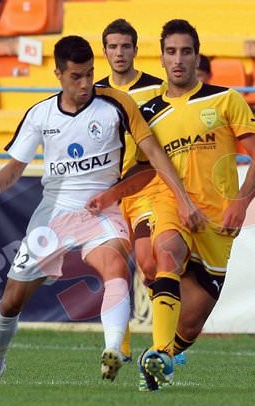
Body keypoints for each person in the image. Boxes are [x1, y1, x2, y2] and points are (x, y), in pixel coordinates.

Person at [0, 35, 202, 389]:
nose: (85, 84)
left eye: (90, 74)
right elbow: (15, 166)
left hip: (103, 212)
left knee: (114, 268)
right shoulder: (40, 114)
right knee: (11, 300)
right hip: (54, 216)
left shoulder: (117, 105)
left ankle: (112, 352)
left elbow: (153, 156)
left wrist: (183, 200)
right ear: (58, 74)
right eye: (76, 76)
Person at [136, 19, 255, 391]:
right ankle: (158, 356)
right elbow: (137, 170)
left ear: (197, 57)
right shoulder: (148, 114)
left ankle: (171, 348)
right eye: (170, 52)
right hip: (172, 207)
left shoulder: (225, 99)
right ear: (161, 58)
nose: (178, 59)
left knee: (192, 324)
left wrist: (241, 203)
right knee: (166, 254)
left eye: (186, 52)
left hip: (218, 221)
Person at [96, 18, 164, 363]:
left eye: (125, 46)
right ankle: (119, 349)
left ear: (136, 50)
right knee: (115, 269)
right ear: (104, 50)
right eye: (113, 46)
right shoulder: (95, 95)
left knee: (149, 264)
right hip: (108, 196)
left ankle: (165, 342)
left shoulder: (157, 90)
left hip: (145, 191)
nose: (119, 53)